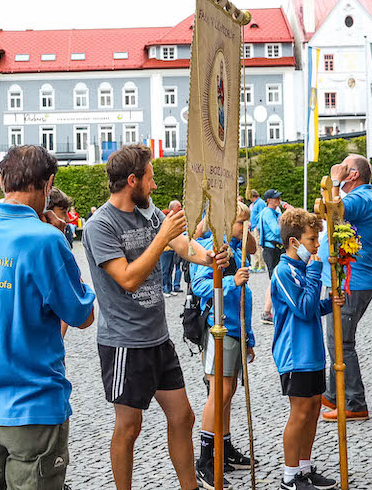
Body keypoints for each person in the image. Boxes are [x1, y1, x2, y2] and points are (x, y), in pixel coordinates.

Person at [0, 145, 96, 489]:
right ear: (48, 185)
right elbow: (80, 314)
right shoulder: (46, 239)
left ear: (1, 181)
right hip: (33, 402)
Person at [82, 144, 226, 490]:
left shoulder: (151, 214)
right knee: (130, 427)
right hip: (124, 342)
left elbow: (182, 245)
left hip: (158, 337)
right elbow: (128, 278)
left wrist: (209, 257)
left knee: (183, 416)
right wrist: (161, 238)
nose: (155, 185)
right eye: (150, 178)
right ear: (132, 181)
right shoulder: (100, 226)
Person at [271, 208, 342, 490]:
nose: (316, 246)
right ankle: (289, 476)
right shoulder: (283, 271)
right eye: (312, 240)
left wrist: (331, 303)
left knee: (313, 409)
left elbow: (314, 307)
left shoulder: (302, 268)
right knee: (299, 413)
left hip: (312, 352)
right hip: (294, 354)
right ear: (294, 242)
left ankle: (304, 467)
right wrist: (315, 272)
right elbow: (302, 308)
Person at [191, 203, 258, 489]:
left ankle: (225, 445)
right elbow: (201, 286)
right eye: (240, 222)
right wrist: (231, 279)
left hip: (235, 327)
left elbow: (252, 248)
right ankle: (205, 458)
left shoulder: (233, 245)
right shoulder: (208, 247)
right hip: (219, 327)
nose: (244, 229)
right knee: (219, 391)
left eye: (245, 223)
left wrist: (249, 336)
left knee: (228, 391)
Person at [320, 155, 372, 422]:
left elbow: (334, 212)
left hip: (351, 281)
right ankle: (334, 394)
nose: (339, 167)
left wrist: (335, 180)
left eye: (344, 166)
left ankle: (355, 402)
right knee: (335, 341)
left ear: (353, 175)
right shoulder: (363, 197)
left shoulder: (360, 198)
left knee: (342, 343)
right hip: (344, 278)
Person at [257, 189, 284, 324]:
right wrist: (285, 220)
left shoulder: (274, 212)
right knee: (274, 279)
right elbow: (276, 229)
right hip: (271, 250)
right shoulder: (268, 213)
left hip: (275, 249)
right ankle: (267, 312)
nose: (278, 200)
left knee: (275, 279)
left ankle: (269, 311)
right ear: (268, 200)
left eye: (279, 197)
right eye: (275, 198)